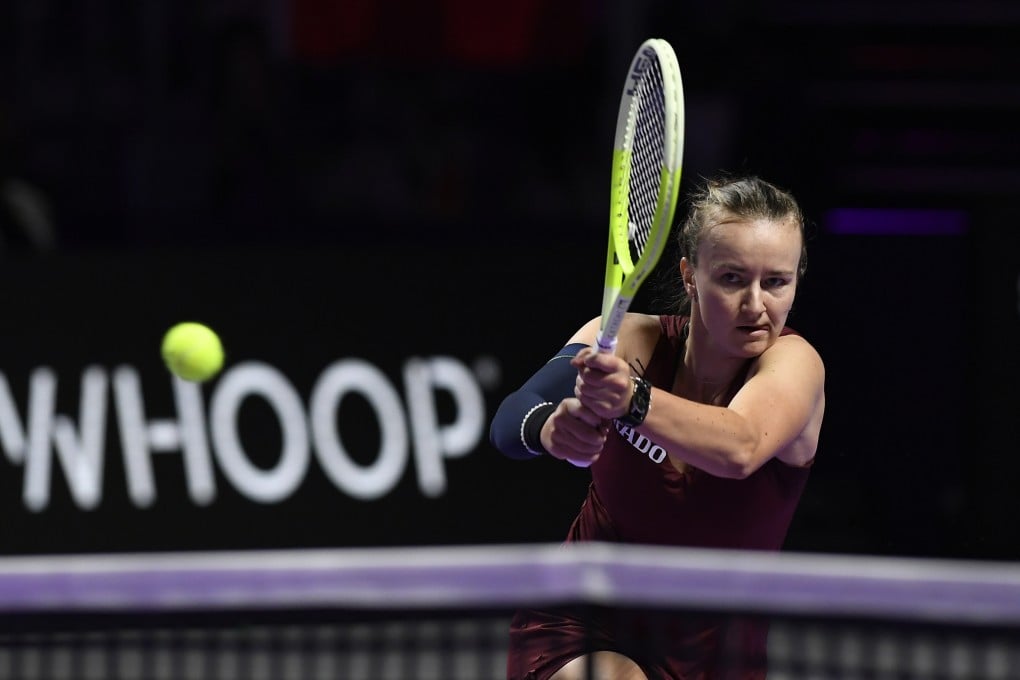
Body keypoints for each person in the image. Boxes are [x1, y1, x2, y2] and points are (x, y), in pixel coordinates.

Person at [489, 174, 826, 679]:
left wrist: (633, 398)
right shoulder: (631, 341)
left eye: (776, 282)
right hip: (582, 623)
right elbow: (511, 419)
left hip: (716, 660)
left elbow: (740, 447)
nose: (756, 304)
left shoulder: (796, 365)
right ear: (691, 276)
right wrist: (548, 430)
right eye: (732, 278)